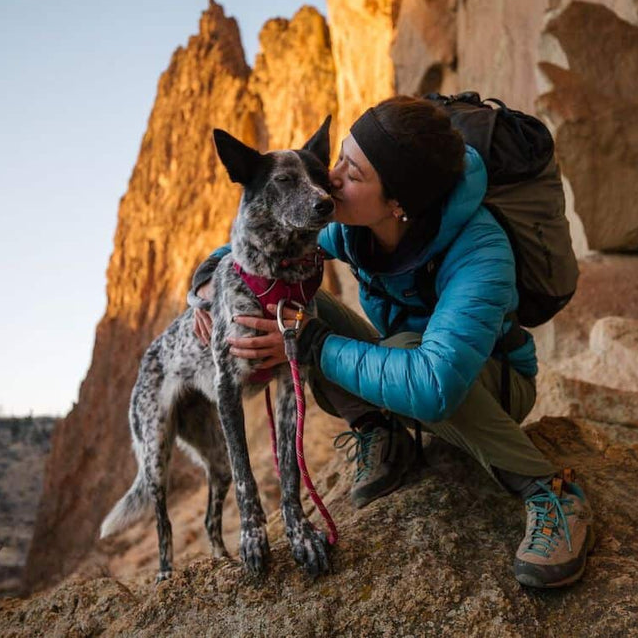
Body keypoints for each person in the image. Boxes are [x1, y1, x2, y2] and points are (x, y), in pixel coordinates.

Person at [191, 96, 593, 588]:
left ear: (398, 203)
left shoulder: (481, 250)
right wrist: (206, 284)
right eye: (339, 158)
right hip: (404, 363)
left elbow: (433, 383)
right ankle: (381, 432)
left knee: (362, 339)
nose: (330, 178)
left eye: (353, 174)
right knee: (289, 304)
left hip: (486, 385)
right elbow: (252, 245)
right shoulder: (354, 229)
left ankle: (550, 491)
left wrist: (309, 341)